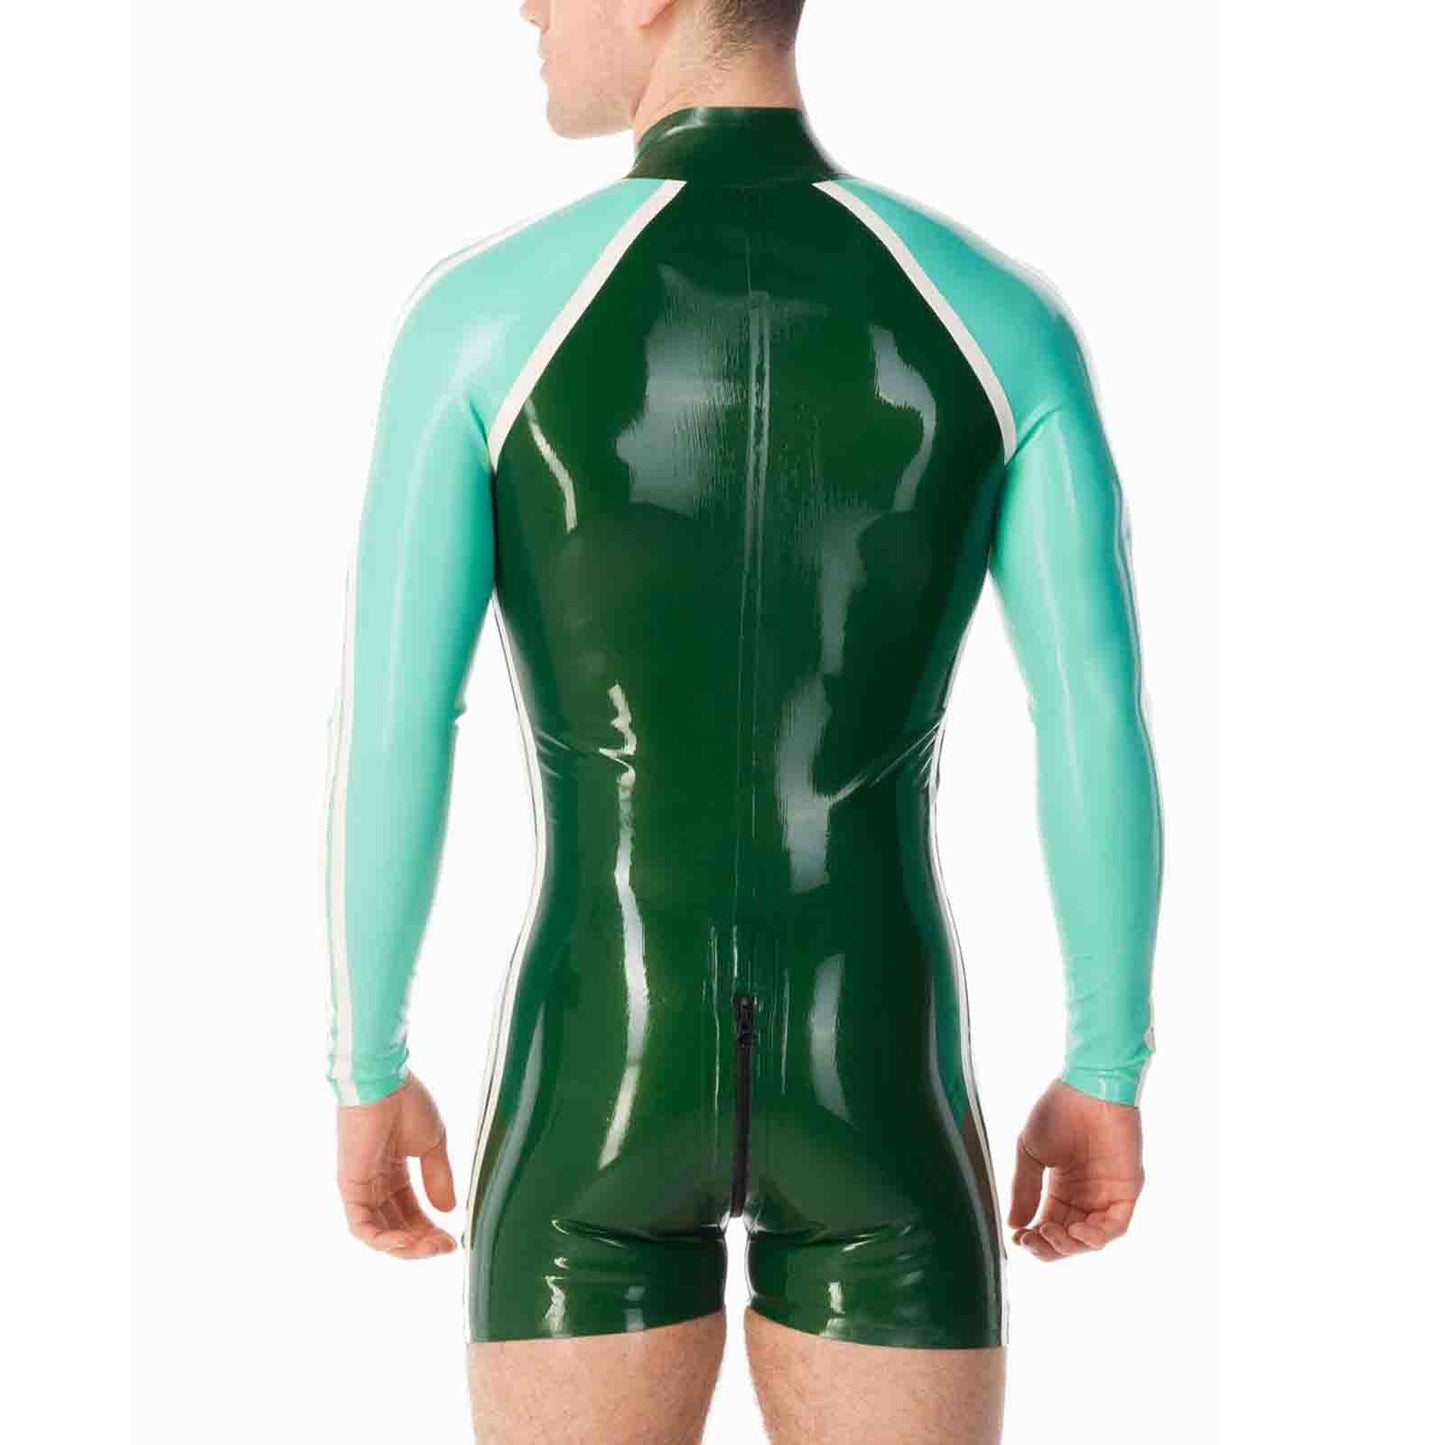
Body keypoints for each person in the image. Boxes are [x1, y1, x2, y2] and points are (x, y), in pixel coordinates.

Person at [324, 0, 1163, 1439]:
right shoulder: (998, 316)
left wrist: (366, 1066)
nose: (527, 6)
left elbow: (398, 720)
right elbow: (1090, 709)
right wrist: (1105, 1067)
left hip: (597, 1063)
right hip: (878, 1064)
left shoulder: (480, 316)